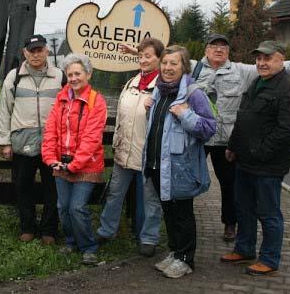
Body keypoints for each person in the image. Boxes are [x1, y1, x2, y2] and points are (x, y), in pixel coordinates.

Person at [121, 34, 290, 241]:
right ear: (206, 50)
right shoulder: (194, 66)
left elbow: (271, 64)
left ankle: (230, 223)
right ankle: (181, 215)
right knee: (185, 176)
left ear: (228, 52)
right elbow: (163, 58)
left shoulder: (240, 70)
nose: (219, 50)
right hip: (196, 138)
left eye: (223, 47)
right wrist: (137, 52)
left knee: (229, 184)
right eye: (214, 46)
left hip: (225, 139)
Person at [221, 41, 290, 276]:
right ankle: (244, 249)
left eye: (267, 58)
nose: (261, 63)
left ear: (281, 61)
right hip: (245, 161)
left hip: (268, 165)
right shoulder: (257, 83)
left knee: (268, 212)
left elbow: (286, 129)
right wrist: (233, 146)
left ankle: (269, 258)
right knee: (244, 208)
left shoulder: (289, 88)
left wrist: (260, 151)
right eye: (258, 59)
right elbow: (243, 117)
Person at [143, 45, 216, 278]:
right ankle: (175, 253)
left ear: (184, 66)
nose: (167, 67)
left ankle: (186, 259)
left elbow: (209, 129)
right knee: (169, 212)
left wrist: (186, 114)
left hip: (180, 168)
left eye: (173, 63)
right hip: (157, 164)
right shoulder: (159, 91)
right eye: (164, 63)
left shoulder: (194, 94)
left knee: (183, 214)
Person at [96, 38, 164, 257]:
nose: (143, 60)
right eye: (141, 56)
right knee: (115, 193)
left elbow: (180, 60)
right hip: (124, 151)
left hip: (149, 154)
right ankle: (106, 231)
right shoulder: (132, 82)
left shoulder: (164, 85)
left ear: (160, 59)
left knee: (149, 200)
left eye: (149, 56)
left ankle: (148, 238)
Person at [0, 34, 64, 244]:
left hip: (52, 143)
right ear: (25, 53)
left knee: (52, 188)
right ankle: (27, 227)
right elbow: (4, 110)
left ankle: (49, 231)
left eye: (39, 50)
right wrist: (5, 141)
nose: (36, 55)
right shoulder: (14, 77)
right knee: (23, 186)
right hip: (22, 142)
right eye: (31, 51)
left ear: (47, 52)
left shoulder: (60, 76)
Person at [42, 53, 107, 265]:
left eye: (78, 73)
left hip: (86, 165)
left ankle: (88, 246)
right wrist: (51, 158)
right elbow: (51, 130)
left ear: (88, 74)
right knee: (63, 206)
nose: (73, 78)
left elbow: (92, 137)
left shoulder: (96, 101)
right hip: (62, 162)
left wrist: (75, 164)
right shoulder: (61, 99)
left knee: (77, 207)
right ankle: (71, 242)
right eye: (69, 74)